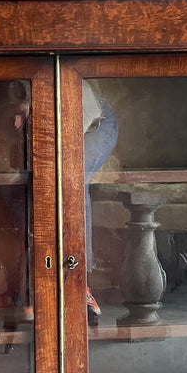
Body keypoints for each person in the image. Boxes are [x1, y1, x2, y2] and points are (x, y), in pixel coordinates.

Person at [82, 80, 118, 325]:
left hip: (97, 124)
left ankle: (79, 286)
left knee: (71, 178)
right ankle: (33, 288)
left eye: (20, 114)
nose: (15, 123)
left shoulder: (79, 95)